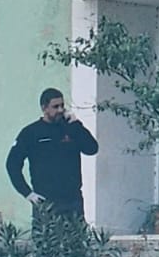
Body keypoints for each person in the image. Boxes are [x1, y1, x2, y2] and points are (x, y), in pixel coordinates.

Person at [6, 88, 98, 226]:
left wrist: (76, 124)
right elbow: (12, 164)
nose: (60, 110)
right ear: (44, 108)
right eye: (55, 107)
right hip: (46, 202)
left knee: (76, 244)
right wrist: (28, 194)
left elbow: (92, 149)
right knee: (46, 244)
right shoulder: (31, 132)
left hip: (73, 200)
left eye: (62, 105)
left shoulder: (71, 129)